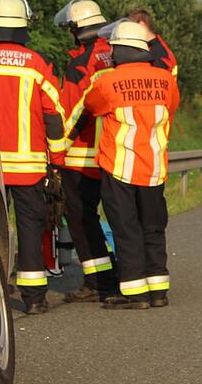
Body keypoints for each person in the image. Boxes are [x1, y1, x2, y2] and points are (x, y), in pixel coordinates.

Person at [67, 21, 179, 310]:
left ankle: (133, 292)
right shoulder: (166, 80)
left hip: (119, 168)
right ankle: (158, 290)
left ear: (119, 50)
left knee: (126, 228)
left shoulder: (107, 82)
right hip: (154, 167)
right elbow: (171, 108)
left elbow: (88, 107)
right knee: (153, 227)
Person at [0, 0, 66, 314]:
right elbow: (54, 114)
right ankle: (34, 299)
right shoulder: (36, 65)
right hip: (28, 168)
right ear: (23, 27)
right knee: (31, 229)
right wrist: (57, 160)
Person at [54, 0, 118, 303]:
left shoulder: (80, 65)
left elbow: (71, 111)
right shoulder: (116, 54)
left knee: (81, 218)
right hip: (117, 152)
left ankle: (96, 280)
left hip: (82, 156)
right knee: (121, 216)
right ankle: (126, 274)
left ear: (75, 29)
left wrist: (56, 150)